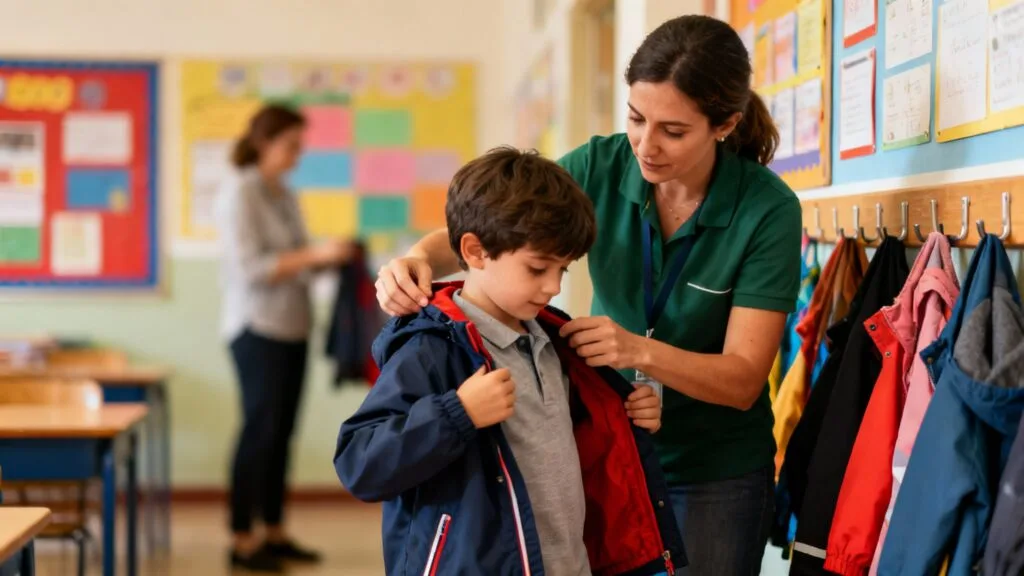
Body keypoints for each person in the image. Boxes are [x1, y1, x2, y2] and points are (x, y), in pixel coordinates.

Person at [374, 14, 802, 575]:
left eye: (673, 131)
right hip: (614, 448)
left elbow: (745, 379)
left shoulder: (767, 210)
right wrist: (416, 260)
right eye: (636, 118)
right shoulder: (599, 165)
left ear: (724, 125)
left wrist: (636, 352)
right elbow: (494, 224)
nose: (646, 146)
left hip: (714, 468)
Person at [334, 147, 686, 575]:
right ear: (476, 251)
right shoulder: (432, 349)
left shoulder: (556, 343)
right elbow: (360, 462)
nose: (553, 287)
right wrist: (457, 414)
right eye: (538, 269)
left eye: (564, 270)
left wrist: (627, 412)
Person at [216, 104, 351, 572]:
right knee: (259, 432)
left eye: (300, 145)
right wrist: (315, 254)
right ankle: (241, 536)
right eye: (291, 145)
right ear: (262, 143)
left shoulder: (284, 194)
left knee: (282, 435)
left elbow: (296, 260)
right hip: (257, 329)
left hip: (293, 326)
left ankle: (273, 530)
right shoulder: (241, 193)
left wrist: (329, 257)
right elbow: (250, 268)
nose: (298, 155)